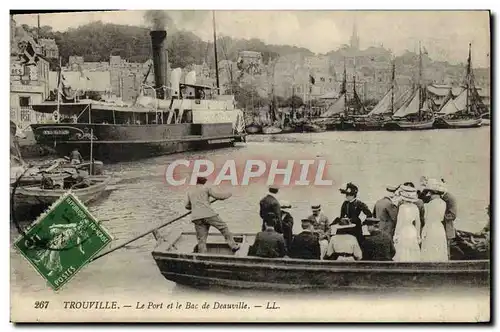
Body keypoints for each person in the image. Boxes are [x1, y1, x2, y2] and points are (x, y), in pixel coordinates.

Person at [185, 176, 240, 254]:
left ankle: (202, 255)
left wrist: (195, 206)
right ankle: (233, 246)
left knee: (201, 239)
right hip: (208, 214)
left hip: (196, 217)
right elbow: (219, 196)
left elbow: (187, 206)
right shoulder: (206, 188)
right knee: (223, 227)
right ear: (204, 182)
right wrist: (228, 194)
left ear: (196, 182)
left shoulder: (189, 191)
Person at [420, 178, 448, 262]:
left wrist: (423, 232)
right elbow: (442, 218)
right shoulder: (443, 203)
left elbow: (427, 219)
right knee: (439, 248)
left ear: (433, 194)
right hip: (439, 228)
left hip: (431, 228)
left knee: (430, 248)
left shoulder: (429, 205)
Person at [392, 185, 421, 262]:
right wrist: (418, 235)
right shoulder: (415, 207)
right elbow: (418, 223)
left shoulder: (402, 207)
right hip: (412, 230)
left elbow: (399, 222)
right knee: (412, 249)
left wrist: (396, 234)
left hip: (404, 230)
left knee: (403, 249)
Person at [439, 179, 458, 259]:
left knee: (446, 251)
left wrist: (439, 216)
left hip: (446, 228)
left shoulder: (450, 198)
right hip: (439, 228)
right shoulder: (439, 197)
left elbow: (453, 215)